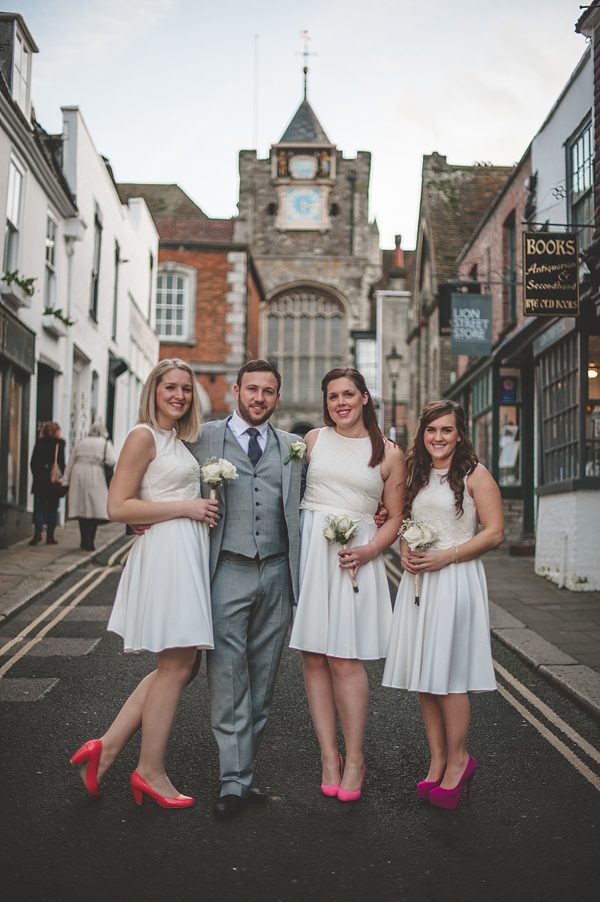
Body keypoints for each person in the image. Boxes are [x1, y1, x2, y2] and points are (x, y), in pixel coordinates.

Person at [70, 359, 219, 808]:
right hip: (168, 556)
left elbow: (148, 499)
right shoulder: (143, 436)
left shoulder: (176, 440)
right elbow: (118, 507)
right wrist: (187, 508)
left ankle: (107, 748)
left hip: (183, 552)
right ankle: (150, 771)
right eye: (170, 387)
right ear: (153, 390)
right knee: (177, 666)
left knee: (180, 666)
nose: (179, 395)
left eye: (186, 389)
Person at [185, 359, 305, 820]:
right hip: (227, 570)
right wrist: (143, 514)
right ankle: (233, 782)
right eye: (251, 389)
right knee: (228, 678)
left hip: (277, 572)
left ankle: (242, 773)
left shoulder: (294, 447)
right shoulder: (205, 437)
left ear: (277, 396)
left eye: (268, 391)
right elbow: (165, 472)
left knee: (264, 680)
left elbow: (319, 497)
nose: (259, 398)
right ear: (236, 390)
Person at [289, 367, 406, 801]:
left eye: (349, 395)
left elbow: (394, 516)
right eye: (333, 396)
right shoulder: (313, 441)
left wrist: (371, 549)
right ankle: (327, 755)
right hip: (312, 556)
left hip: (356, 557)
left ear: (364, 398)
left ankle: (354, 758)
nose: (341, 403)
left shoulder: (389, 453)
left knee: (344, 659)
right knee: (314, 656)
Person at [382, 400, 504, 810]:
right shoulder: (416, 473)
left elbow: (495, 533)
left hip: (454, 579)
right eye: (432, 430)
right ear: (423, 433)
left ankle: (459, 761)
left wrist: (447, 556)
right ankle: (436, 762)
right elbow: (404, 522)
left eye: (447, 430)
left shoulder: (474, 475)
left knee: (448, 676)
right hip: (419, 581)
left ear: (459, 434)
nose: (438, 437)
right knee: (425, 675)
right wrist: (404, 549)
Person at [62, 422, 117, 551]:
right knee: (94, 510)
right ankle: (90, 541)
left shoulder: (81, 442)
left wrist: (65, 479)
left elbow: (71, 461)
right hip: (95, 475)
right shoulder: (105, 444)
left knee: (82, 511)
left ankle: (83, 540)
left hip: (78, 474)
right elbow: (111, 460)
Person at [29, 422, 66, 546]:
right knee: (52, 509)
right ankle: (50, 536)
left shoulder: (40, 443)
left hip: (40, 480)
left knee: (38, 509)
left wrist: (38, 474)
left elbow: (33, 462)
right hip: (53, 481)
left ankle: (38, 533)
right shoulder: (59, 444)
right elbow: (61, 463)